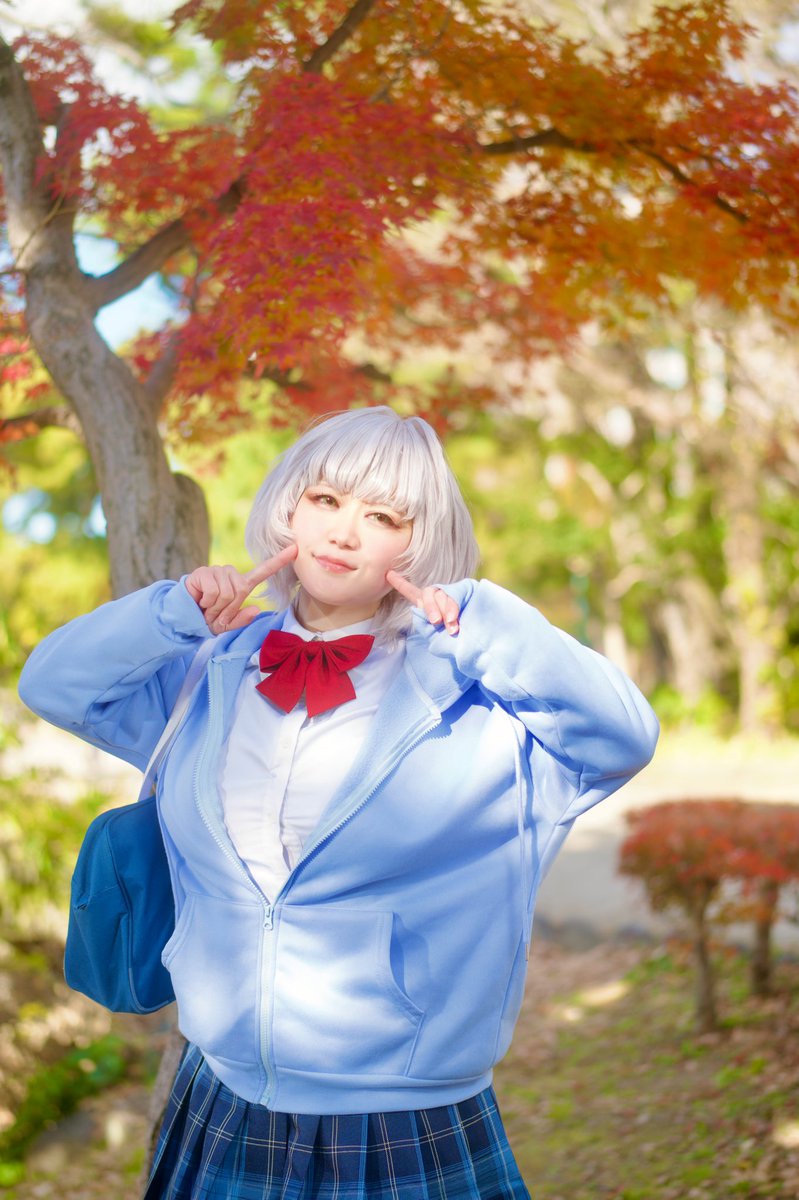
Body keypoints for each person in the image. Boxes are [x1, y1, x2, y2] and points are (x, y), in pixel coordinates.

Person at [19, 406, 659, 1200]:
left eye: (383, 516)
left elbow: (623, 737)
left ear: (416, 545)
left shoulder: (479, 702)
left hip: (404, 1115)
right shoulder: (212, 669)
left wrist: (485, 621)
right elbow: (54, 683)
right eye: (325, 499)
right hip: (220, 1090)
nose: (343, 532)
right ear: (289, 509)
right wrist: (171, 612)